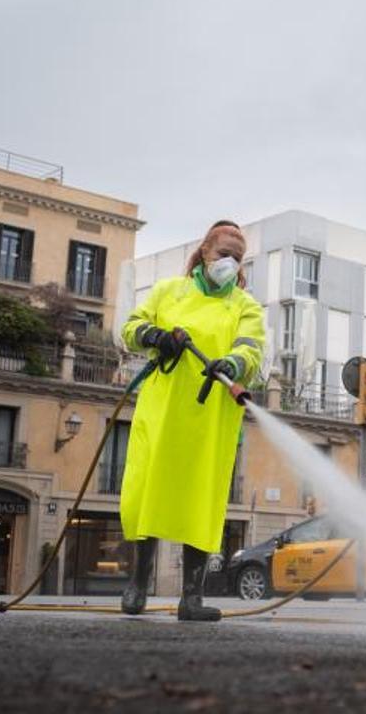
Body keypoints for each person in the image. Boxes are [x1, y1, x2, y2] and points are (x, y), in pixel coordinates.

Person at [119, 220, 265, 621]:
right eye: (224, 254)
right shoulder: (169, 291)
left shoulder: (244, 306)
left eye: (238, 258)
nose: (230, 264)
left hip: (210, 416)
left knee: (202, 499)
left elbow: (251, 352)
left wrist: (232, 362)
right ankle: (137, 585)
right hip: (162, 409)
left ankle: (192, 598)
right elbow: (129, 330)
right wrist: (157, 337)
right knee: (146, 492)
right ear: (204, 252)